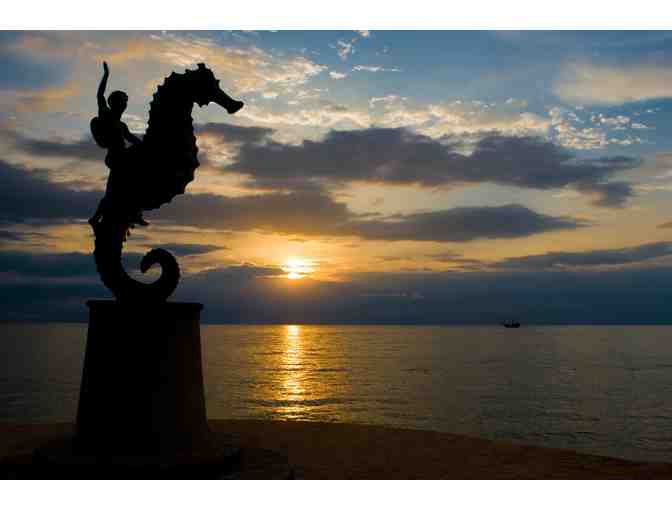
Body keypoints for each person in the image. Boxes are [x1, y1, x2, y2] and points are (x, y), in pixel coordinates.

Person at [89, 61, 148, 227]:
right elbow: (100, 95)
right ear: (115, 103)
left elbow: (133, 140)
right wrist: (106, 75)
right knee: (124, 186)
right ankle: (134, 213)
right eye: (122, 101)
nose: (125, 105)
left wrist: (148, 144)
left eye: (125, 102)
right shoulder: (105, 114)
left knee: (117, 189)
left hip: (123, 156)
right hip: (116, 157)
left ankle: (98, 217)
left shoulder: (122, 126)